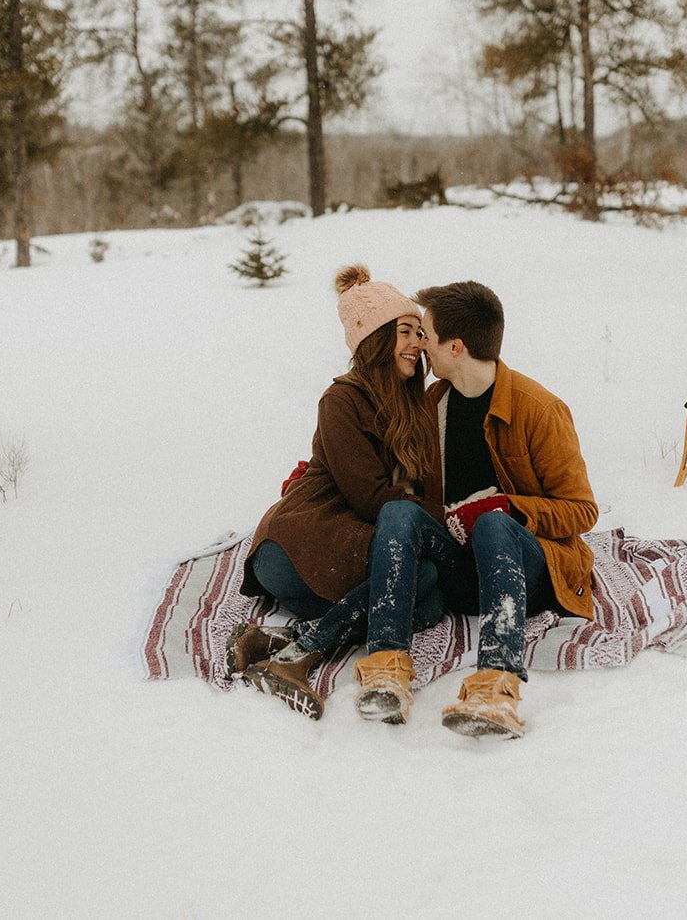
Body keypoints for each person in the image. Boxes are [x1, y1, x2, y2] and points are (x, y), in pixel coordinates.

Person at [228, 265, 451, 723]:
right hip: (299, 547)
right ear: (375, 340)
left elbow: (425, 496)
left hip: (353, 553)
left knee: (427, 599)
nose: (418, 343)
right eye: (406, 332)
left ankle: (279, 645)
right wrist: (430, 513)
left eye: (420, 333)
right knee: (420, 580)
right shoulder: (342, 400)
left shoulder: (418, 407)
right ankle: (298, 659)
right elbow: (370, 497)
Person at [414, 279, 598, 738]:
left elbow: (581, 510)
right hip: (462, 570)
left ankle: (496, 685)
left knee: (494, 525)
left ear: (454, 347)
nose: (420, 345)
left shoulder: (538, 409)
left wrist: (507, 508)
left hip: (528, 567)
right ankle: (310, 648)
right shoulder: (432, 405)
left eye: (425, 335)